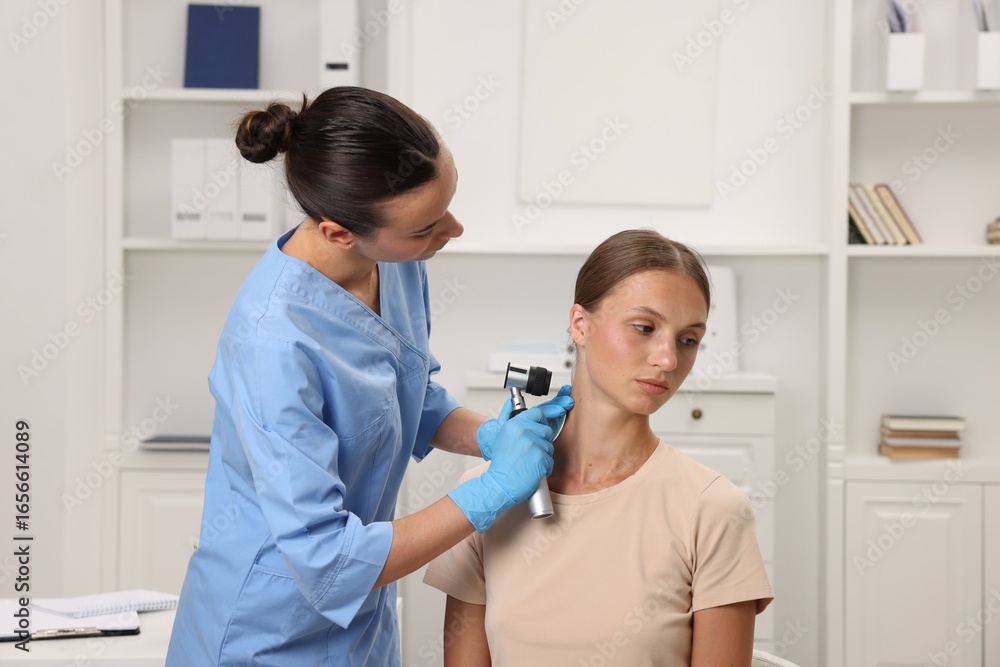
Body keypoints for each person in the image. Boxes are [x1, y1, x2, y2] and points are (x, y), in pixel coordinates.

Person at [165, 87, 572, 666]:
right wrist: (491, 489)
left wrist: (490, 435)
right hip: (267, 629)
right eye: (426, 227)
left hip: (363, 619)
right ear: (338, 232)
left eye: (448, 203)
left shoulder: (392, 260)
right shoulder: (271, 343)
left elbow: (405, 393)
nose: (453, 230)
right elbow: (328, 561)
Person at [424, 229, 773, 667]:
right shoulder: (486, 498)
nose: (668, 359)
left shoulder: (713, 509)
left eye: (688, 340)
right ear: (580, 324)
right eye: (644, 328)